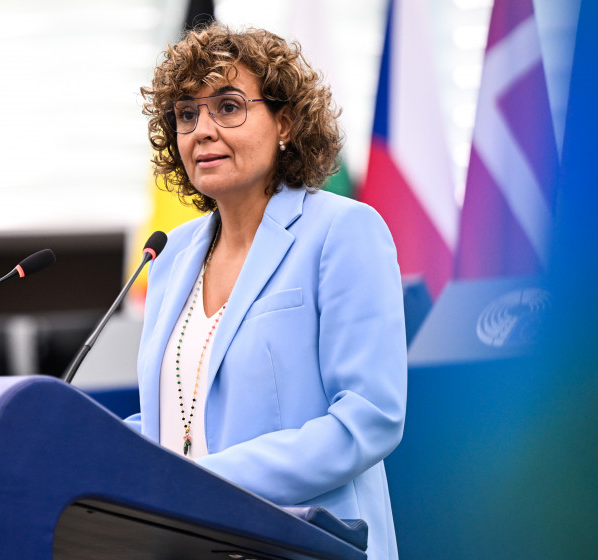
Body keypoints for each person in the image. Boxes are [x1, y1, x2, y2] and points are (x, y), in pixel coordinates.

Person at [125, 24, 407, 559]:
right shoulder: (169, 255)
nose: (202, 130)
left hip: (306, 545)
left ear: (286, 121)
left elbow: (369, 417)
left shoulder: (342, 231)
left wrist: (205, 484)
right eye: (186, 114)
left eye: (228, 107)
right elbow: (175, 416)